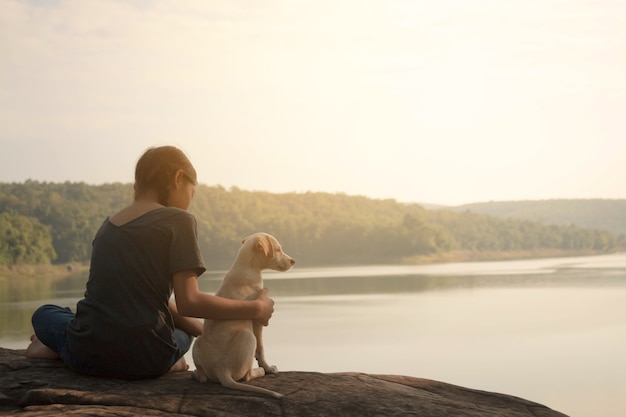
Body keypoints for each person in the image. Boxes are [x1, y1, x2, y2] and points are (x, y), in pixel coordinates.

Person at [25, 145, 275, 379]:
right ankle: (171, 362)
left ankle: (57, 348)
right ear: (178, 178)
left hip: (88, 353)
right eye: (191, 191)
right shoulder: (179, 221)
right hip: (149, 358)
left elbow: (155, 301)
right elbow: (190, 302)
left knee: (46, 313)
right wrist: (255, 309)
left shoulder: (108, 226)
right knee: (182, 334)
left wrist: (209, 332)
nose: (190, 199)